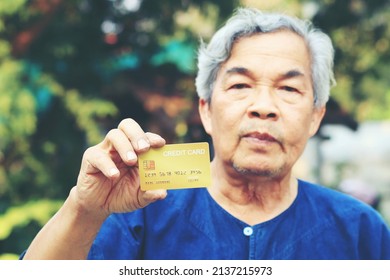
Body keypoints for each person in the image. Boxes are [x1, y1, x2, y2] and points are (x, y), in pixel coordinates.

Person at [22, 7, 389, 260]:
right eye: (241, 85)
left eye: (289, 89)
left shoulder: (360, 230)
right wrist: (84, 209)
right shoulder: (140, 208)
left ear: (315, 117)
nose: (263, 106)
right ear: (206, 110)